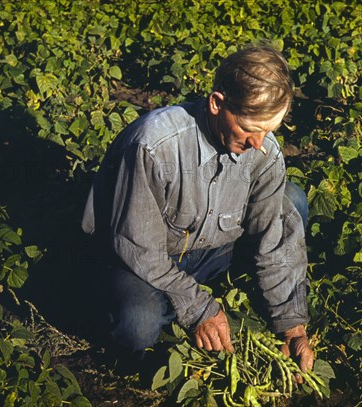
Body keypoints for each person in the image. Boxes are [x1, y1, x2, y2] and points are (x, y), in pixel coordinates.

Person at [81, 44, 314, 377]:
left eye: (268, 130)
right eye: (250, 129)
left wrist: (292, 325)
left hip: (211, 251)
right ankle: (149, 323)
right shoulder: (154, 145)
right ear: (217, 103)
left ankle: (197, 308)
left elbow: (272, 238)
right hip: (139, 257)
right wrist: (197, 308)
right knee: (139, 327)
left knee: (291, 202)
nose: (258, 143)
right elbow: (138, 248)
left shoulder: (264, 150)